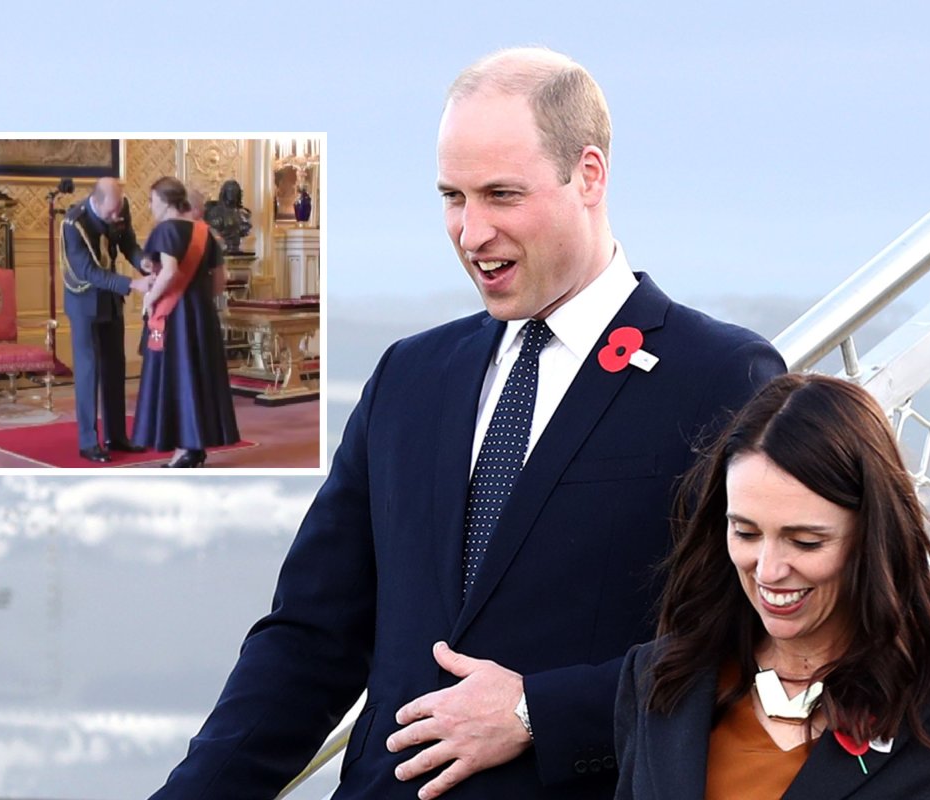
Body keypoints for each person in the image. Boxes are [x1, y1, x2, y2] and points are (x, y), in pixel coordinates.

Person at [149, 47, 785, 800]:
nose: (470, 231)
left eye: (501, 195)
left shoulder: (722, 377)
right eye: (453, 196)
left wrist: (535, 712)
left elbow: (755, 645)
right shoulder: (409, 378)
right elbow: (310, 641)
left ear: (589, 176)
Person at [614, 373, 930, 799]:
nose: (769, 570)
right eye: (746, 533)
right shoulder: (660, 677)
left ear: (873, 537)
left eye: (805, 541)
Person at [131, 177, 239, 468]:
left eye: (152, 200)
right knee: (198, 378)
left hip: (175, 318)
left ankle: (183, 449)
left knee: (176, 380)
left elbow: (169, 272)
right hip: (202, 317)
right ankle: (196, 445)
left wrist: (150, 298)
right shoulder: (205, 233)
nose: (150, 206)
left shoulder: (166, 230)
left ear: (166, 202)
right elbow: (220, 283)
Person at [60, 177, 153, 463]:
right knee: (89, 372)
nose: (117, 216)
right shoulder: (73, 224)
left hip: (110, 301)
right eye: (111, 212)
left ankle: (117, 436)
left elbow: (129, 244)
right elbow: (89, 271)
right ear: (96, 201)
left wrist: (143, 262)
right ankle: (88, 442)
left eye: (119, 210)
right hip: (84, 302)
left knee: (115, 368)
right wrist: (133, 283)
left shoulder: (120, 206)